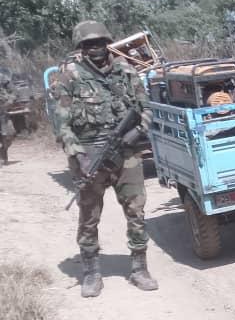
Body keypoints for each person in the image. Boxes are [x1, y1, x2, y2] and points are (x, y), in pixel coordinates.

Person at [52, 21, 158, 297]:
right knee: (89, 217)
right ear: (81, 47)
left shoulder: (125, 71)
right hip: (89, 155)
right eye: (88, 44)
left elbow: (146, 108)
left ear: (107, 43)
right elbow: (61, 124)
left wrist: (136, 132)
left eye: (99, 42)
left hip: (126, 155)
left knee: (136, 211)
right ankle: (91, 272)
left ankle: (139, 268)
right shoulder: (69, 77)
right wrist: (77, 154)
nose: (95, 48)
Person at [0, 69, 14, 165]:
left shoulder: (2, 78)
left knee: (9, 135)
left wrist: (9, 101)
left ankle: (2, 152)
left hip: (2, 111)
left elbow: (14, 91)